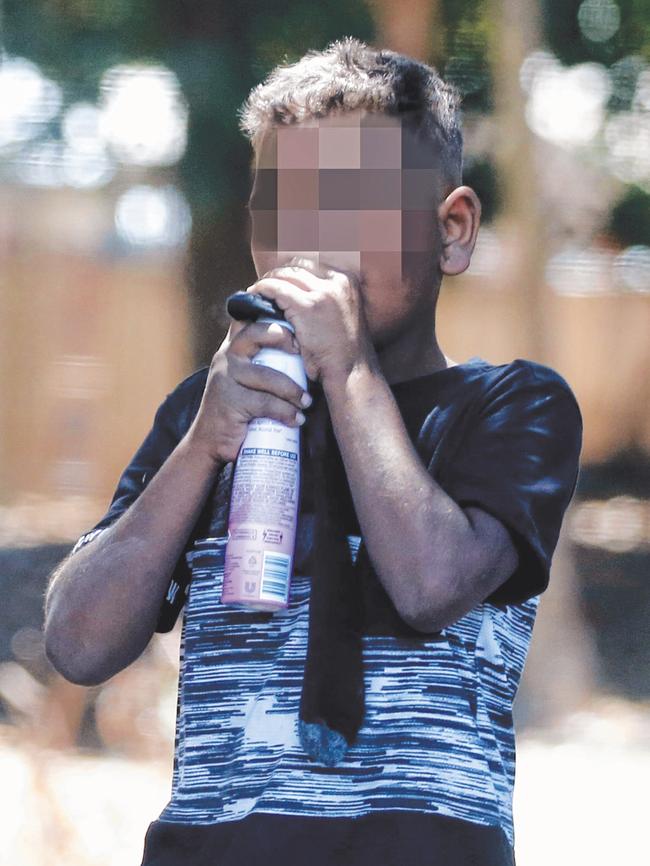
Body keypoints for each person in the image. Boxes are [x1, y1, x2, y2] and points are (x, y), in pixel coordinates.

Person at [44, 37, 583, 866]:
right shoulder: (210, 408)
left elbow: (432, 585)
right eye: (283, 207)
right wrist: (201, 445)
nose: (310, 240)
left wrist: (349, 368)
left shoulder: (512, 405)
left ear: (453, 230)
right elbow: (79, 644)